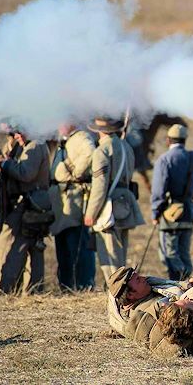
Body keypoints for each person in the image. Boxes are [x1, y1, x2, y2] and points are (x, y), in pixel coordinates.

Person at [84, 117, 145, 283]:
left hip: (108, 206)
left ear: (99, 130)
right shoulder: (126, 147)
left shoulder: (102, 151)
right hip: (125, 201)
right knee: (121, 254)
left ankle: (116, 292)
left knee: (110, 257)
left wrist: (91, 213)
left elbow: (99, 185)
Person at [0, 126, 51, 294]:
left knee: (17, 247)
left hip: (29, 206)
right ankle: (33, 290)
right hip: (33, 205)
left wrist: (5, 163)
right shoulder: (27, 144)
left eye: (19, 131)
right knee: (33, 247)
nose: (17, 135)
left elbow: (26, 173)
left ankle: (5, 289)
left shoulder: (34, 146)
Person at [150, 124, 193, 281]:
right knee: (184, 252)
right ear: (184, 140)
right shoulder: (192, 157)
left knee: (169, 254)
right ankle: (188, 283)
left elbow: (158, 190)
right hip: (189, 211)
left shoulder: (164, 160)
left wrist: (155, 212)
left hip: (171, 213)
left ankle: (179, 284)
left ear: (168, 140)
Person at [49, 123, 97, 291]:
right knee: (63, 249)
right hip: (62, 204)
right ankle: (67, 286)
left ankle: (83, 285)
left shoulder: (82, 137)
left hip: (73, 202)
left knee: (77, 246)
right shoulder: (65, 141)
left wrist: (76, 173)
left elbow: (91, 153)